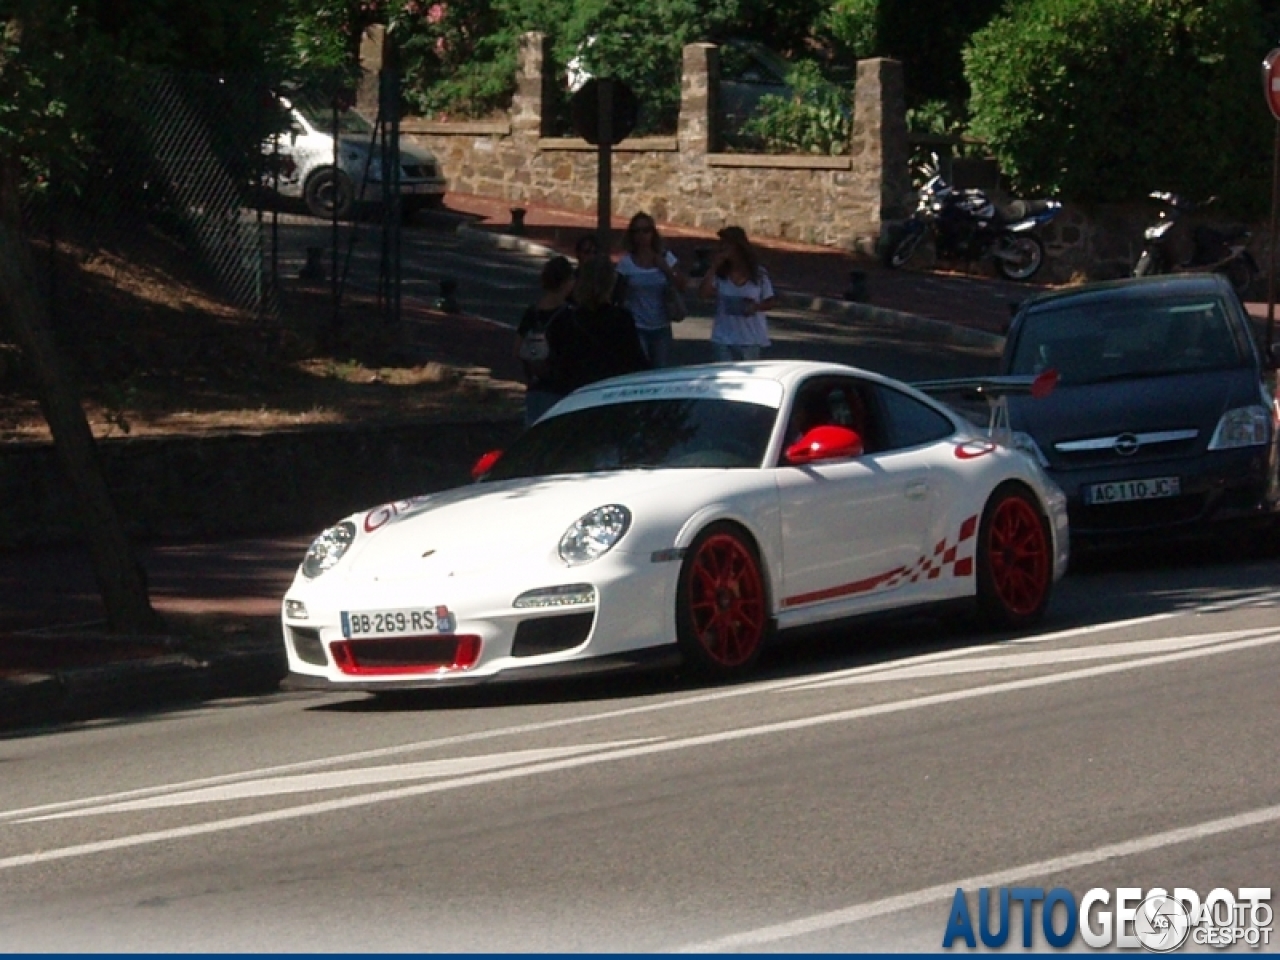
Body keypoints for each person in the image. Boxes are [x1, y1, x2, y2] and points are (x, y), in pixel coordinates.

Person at [550, 257, 650, 393]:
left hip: (576, 392)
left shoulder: (565, 319)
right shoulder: (620, 318)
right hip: (610, 391)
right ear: (611, 284)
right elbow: (635, 363)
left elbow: (557, 363)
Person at [616, 212, 686, 368]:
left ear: (653, 233)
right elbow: (618, 297)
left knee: (660, 369)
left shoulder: (666, 257)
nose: (642, 236)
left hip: (661, 325)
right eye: (637, 231)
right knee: (639, 368)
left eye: (646, 230)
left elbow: (682, 285)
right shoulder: (626, 263)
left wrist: (666, 269)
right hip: (637, 326)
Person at [699, 225, 776, 362]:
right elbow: (704, 293)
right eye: (721, 244)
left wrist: (755, 307)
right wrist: (713, 267)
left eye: (726, 245)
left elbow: (770, 301)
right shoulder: (720, 273)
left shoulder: (758, 274)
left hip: (750, 339)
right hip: (723, 337)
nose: (722, 249)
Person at [515, 255, 576, 426]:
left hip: (535, 386)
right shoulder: (569, 316)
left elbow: (517, 348)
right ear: (565, 282)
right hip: (561, 388)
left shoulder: (532, 312)